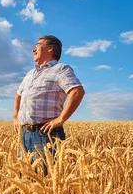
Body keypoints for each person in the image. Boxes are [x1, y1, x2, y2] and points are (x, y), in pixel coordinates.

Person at [13, 35, 85, 172]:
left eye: (38, 45)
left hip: (45, 134)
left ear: (51, 48)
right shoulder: (30, 74)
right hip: (23, 134)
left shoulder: (61, 69)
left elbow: (77, 92)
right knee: (24, 177)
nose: (33, 49)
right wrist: (15, 117)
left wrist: (60, 119)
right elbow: (18, 96)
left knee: (46, 180)